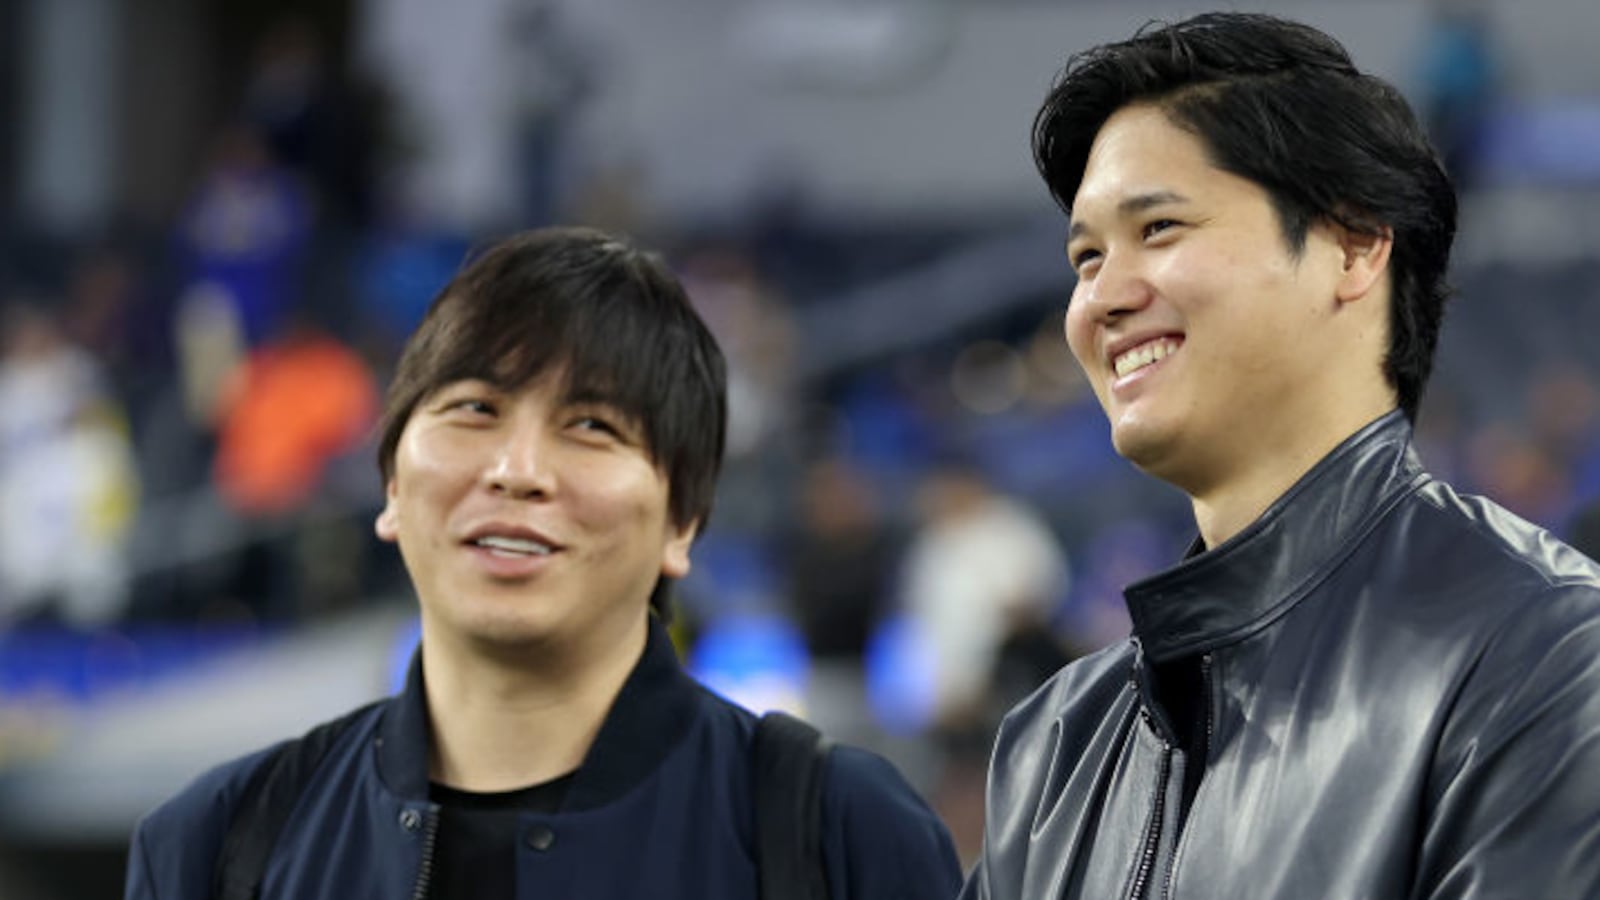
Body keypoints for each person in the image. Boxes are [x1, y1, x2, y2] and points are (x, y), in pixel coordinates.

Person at [961, 13, 1600, 899]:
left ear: (1354, 246)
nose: (1102, 297)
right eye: (1086, 257)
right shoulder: (1053, 746)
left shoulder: (1547, 654)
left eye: (1159, 228)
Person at [125, 227, 961, 899]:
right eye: (474, 408)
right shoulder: (217, 843)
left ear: (682, 523)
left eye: (592, 426)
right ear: (391, 487)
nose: (516, 470)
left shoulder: (839, 835)